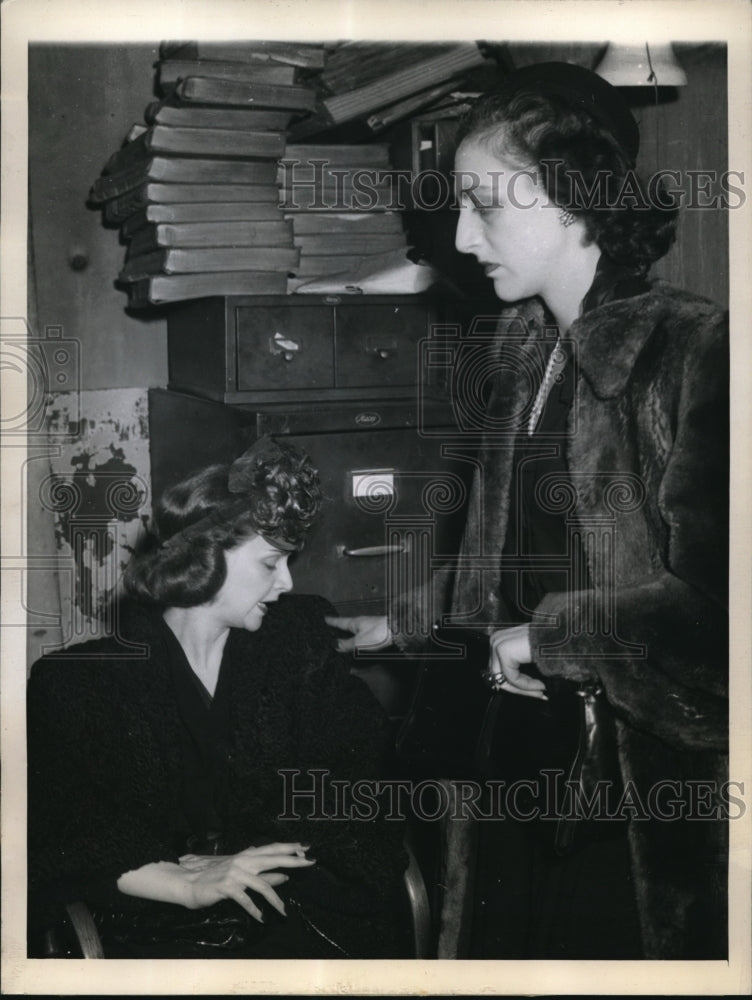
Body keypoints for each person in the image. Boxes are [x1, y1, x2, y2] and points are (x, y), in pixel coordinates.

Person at [327, 62, 729, 960]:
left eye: (486, 204)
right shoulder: (523, 349)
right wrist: (403, 622)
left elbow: (721, 625)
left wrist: (557, 640)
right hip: (513, 769)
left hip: (631, 806)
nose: (464, 236)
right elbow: (517, 558)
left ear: (575, 194)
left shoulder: (694, 351)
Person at [27, 436, 409, 959]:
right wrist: (178, 880)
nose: (286, 583)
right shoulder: (79, 683)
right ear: (203, 560)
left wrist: (244, 854)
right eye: (271, 563)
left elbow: (357, 787)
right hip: (152, 930)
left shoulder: (299, 642)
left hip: (293, 907)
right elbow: (57, 833)